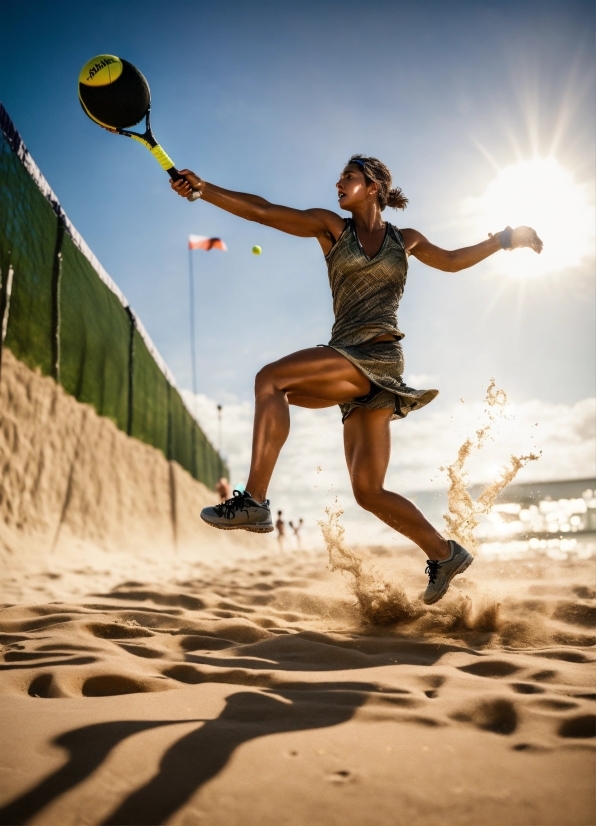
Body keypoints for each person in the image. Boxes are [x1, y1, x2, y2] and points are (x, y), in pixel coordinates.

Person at [171, 155, 542, 605]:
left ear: (373, 186)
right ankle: (445, 554)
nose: (338, 183)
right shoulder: (331, 228)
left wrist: (505, 239)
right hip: (348, 359)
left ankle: (254, 500)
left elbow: (451, 261)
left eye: (348, 177)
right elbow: (265, 211)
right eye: (341, 177)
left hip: (381, 359)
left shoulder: (405, 239)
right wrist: (205, 189)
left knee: (270, 380)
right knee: (367, 491)